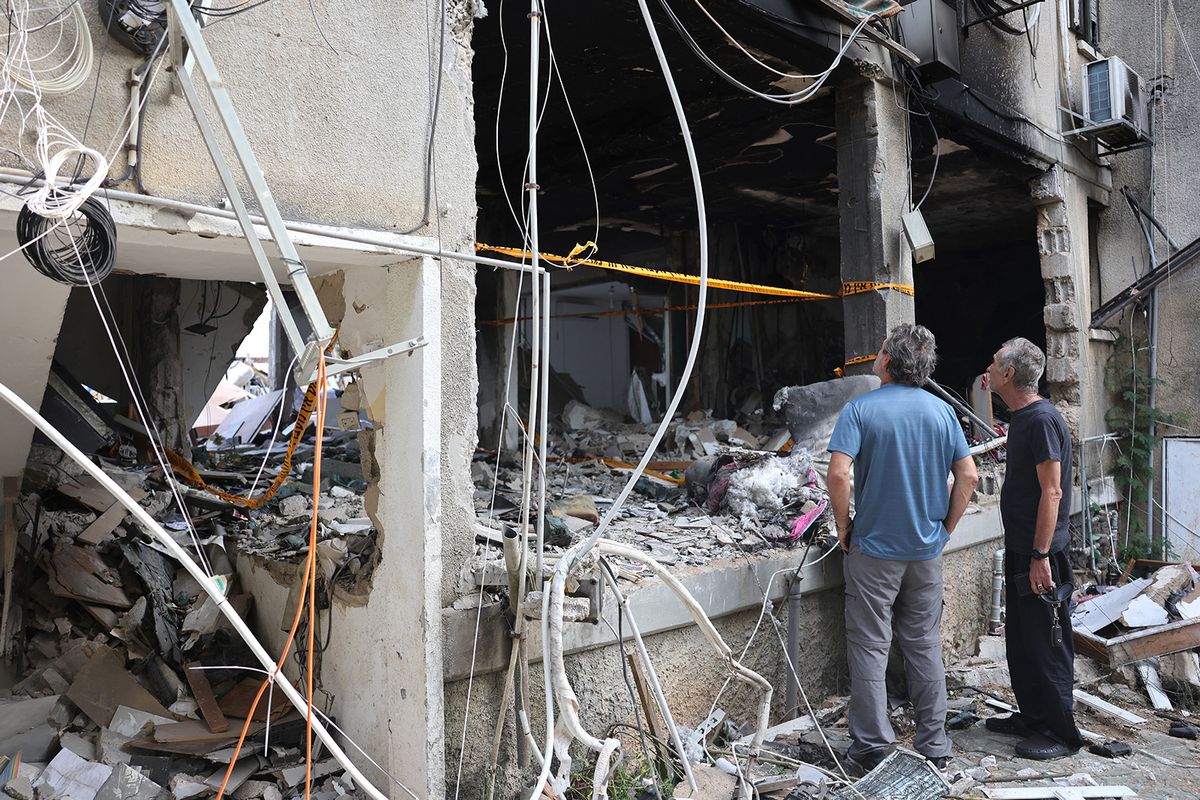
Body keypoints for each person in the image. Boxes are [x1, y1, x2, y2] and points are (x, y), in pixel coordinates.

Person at [828, 323, 978, 773]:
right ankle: (935, 745)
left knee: (871, 645)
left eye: (878, 351)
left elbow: (838, 474)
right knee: (923, 643)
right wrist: (944, 529)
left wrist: (842, 526)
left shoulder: (860, 409)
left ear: (887, 361)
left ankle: (873, 747)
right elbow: (968, 476)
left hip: (874, 550)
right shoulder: (941, 412)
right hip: (925, 550)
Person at [983, 337, 1083, 760]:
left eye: (993, 362)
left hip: (1041, 555)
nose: (986, 368)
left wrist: (1041, 556)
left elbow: (1053, 492)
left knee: (1047, 643)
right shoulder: (1023, 417)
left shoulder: (1041, 420)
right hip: (1025, 549)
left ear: (1008, 374)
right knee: (1022, 642)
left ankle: (1062, 735)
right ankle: (1033, 716)